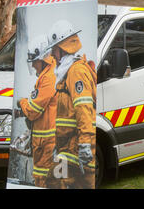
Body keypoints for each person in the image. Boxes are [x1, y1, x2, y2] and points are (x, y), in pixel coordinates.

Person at [47, 20, 97, 189]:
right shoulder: (68, 72)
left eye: (54, 49)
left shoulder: (76, 71)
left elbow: (84, 109)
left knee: (55, 181)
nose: (53, 54)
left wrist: (84, 144)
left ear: (63, 47)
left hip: (76, 146)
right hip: (68, 146)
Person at [16, 34, 58, 188]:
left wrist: (22, 102)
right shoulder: (48, 74)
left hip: (48, 142)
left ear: (43, 59)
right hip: (44, 141)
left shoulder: (49, 78)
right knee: (41, 179)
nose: (33, 65)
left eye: (34, 61)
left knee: (46, 180)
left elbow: (33, 111)